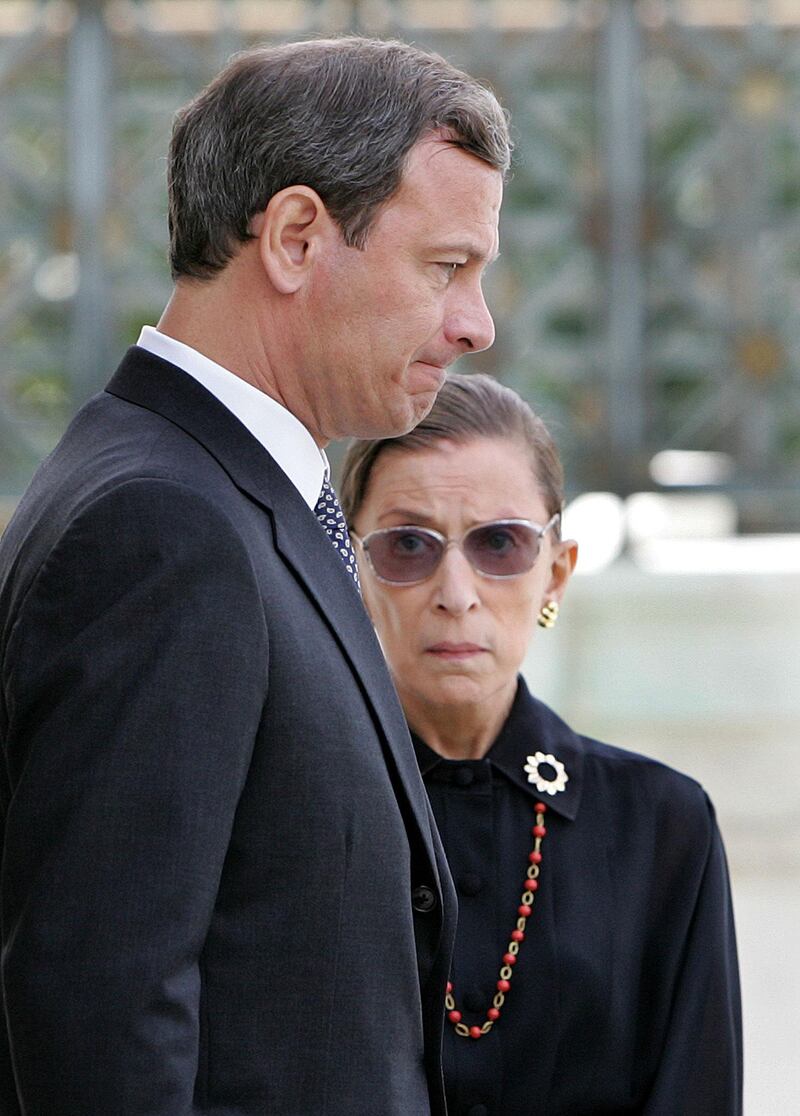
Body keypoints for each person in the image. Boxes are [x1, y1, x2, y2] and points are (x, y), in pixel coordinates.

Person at [0, 39, 510, 1115]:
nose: (476, 323)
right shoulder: (163, 527)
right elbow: (103, 1010)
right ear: (292, 238)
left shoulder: (220, 496)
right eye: (444, 266)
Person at [340, 372, 743, 1116]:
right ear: (353, 574)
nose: (456, 591)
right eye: (408, 546)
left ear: (556, 573)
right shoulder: (287, 811)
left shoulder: (662, 827)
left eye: (500, 544)